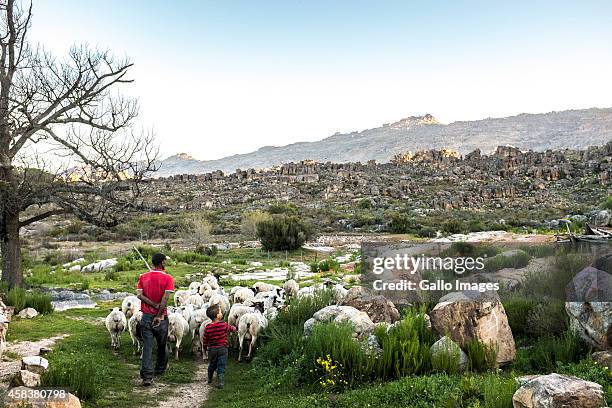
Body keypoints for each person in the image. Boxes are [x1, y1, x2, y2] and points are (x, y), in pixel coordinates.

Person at [136, 253, 174, 387]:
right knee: (162, 344)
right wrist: (158, 314)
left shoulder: (143, 277)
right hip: (161, 318)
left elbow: (139, 295)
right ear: (162, 263)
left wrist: (151, 305)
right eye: (165, 261)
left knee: (147, 346)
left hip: (146, 317)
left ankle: (147, 377)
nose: (166, 263)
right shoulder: (168, 278)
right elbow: (165, 298)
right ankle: (160, 369)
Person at [201, 304, 236, 389]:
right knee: (221, 364)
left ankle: (209, 379)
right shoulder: (223, 325)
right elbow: (232, 329)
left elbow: (205, 340)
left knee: (212, 365)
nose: (221, 313)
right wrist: (235, 328)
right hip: (223, 349)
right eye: (220, 312)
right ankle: (221, 382)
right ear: (217, 315)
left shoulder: (208, 327)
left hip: (212, 349)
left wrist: (204, 349)